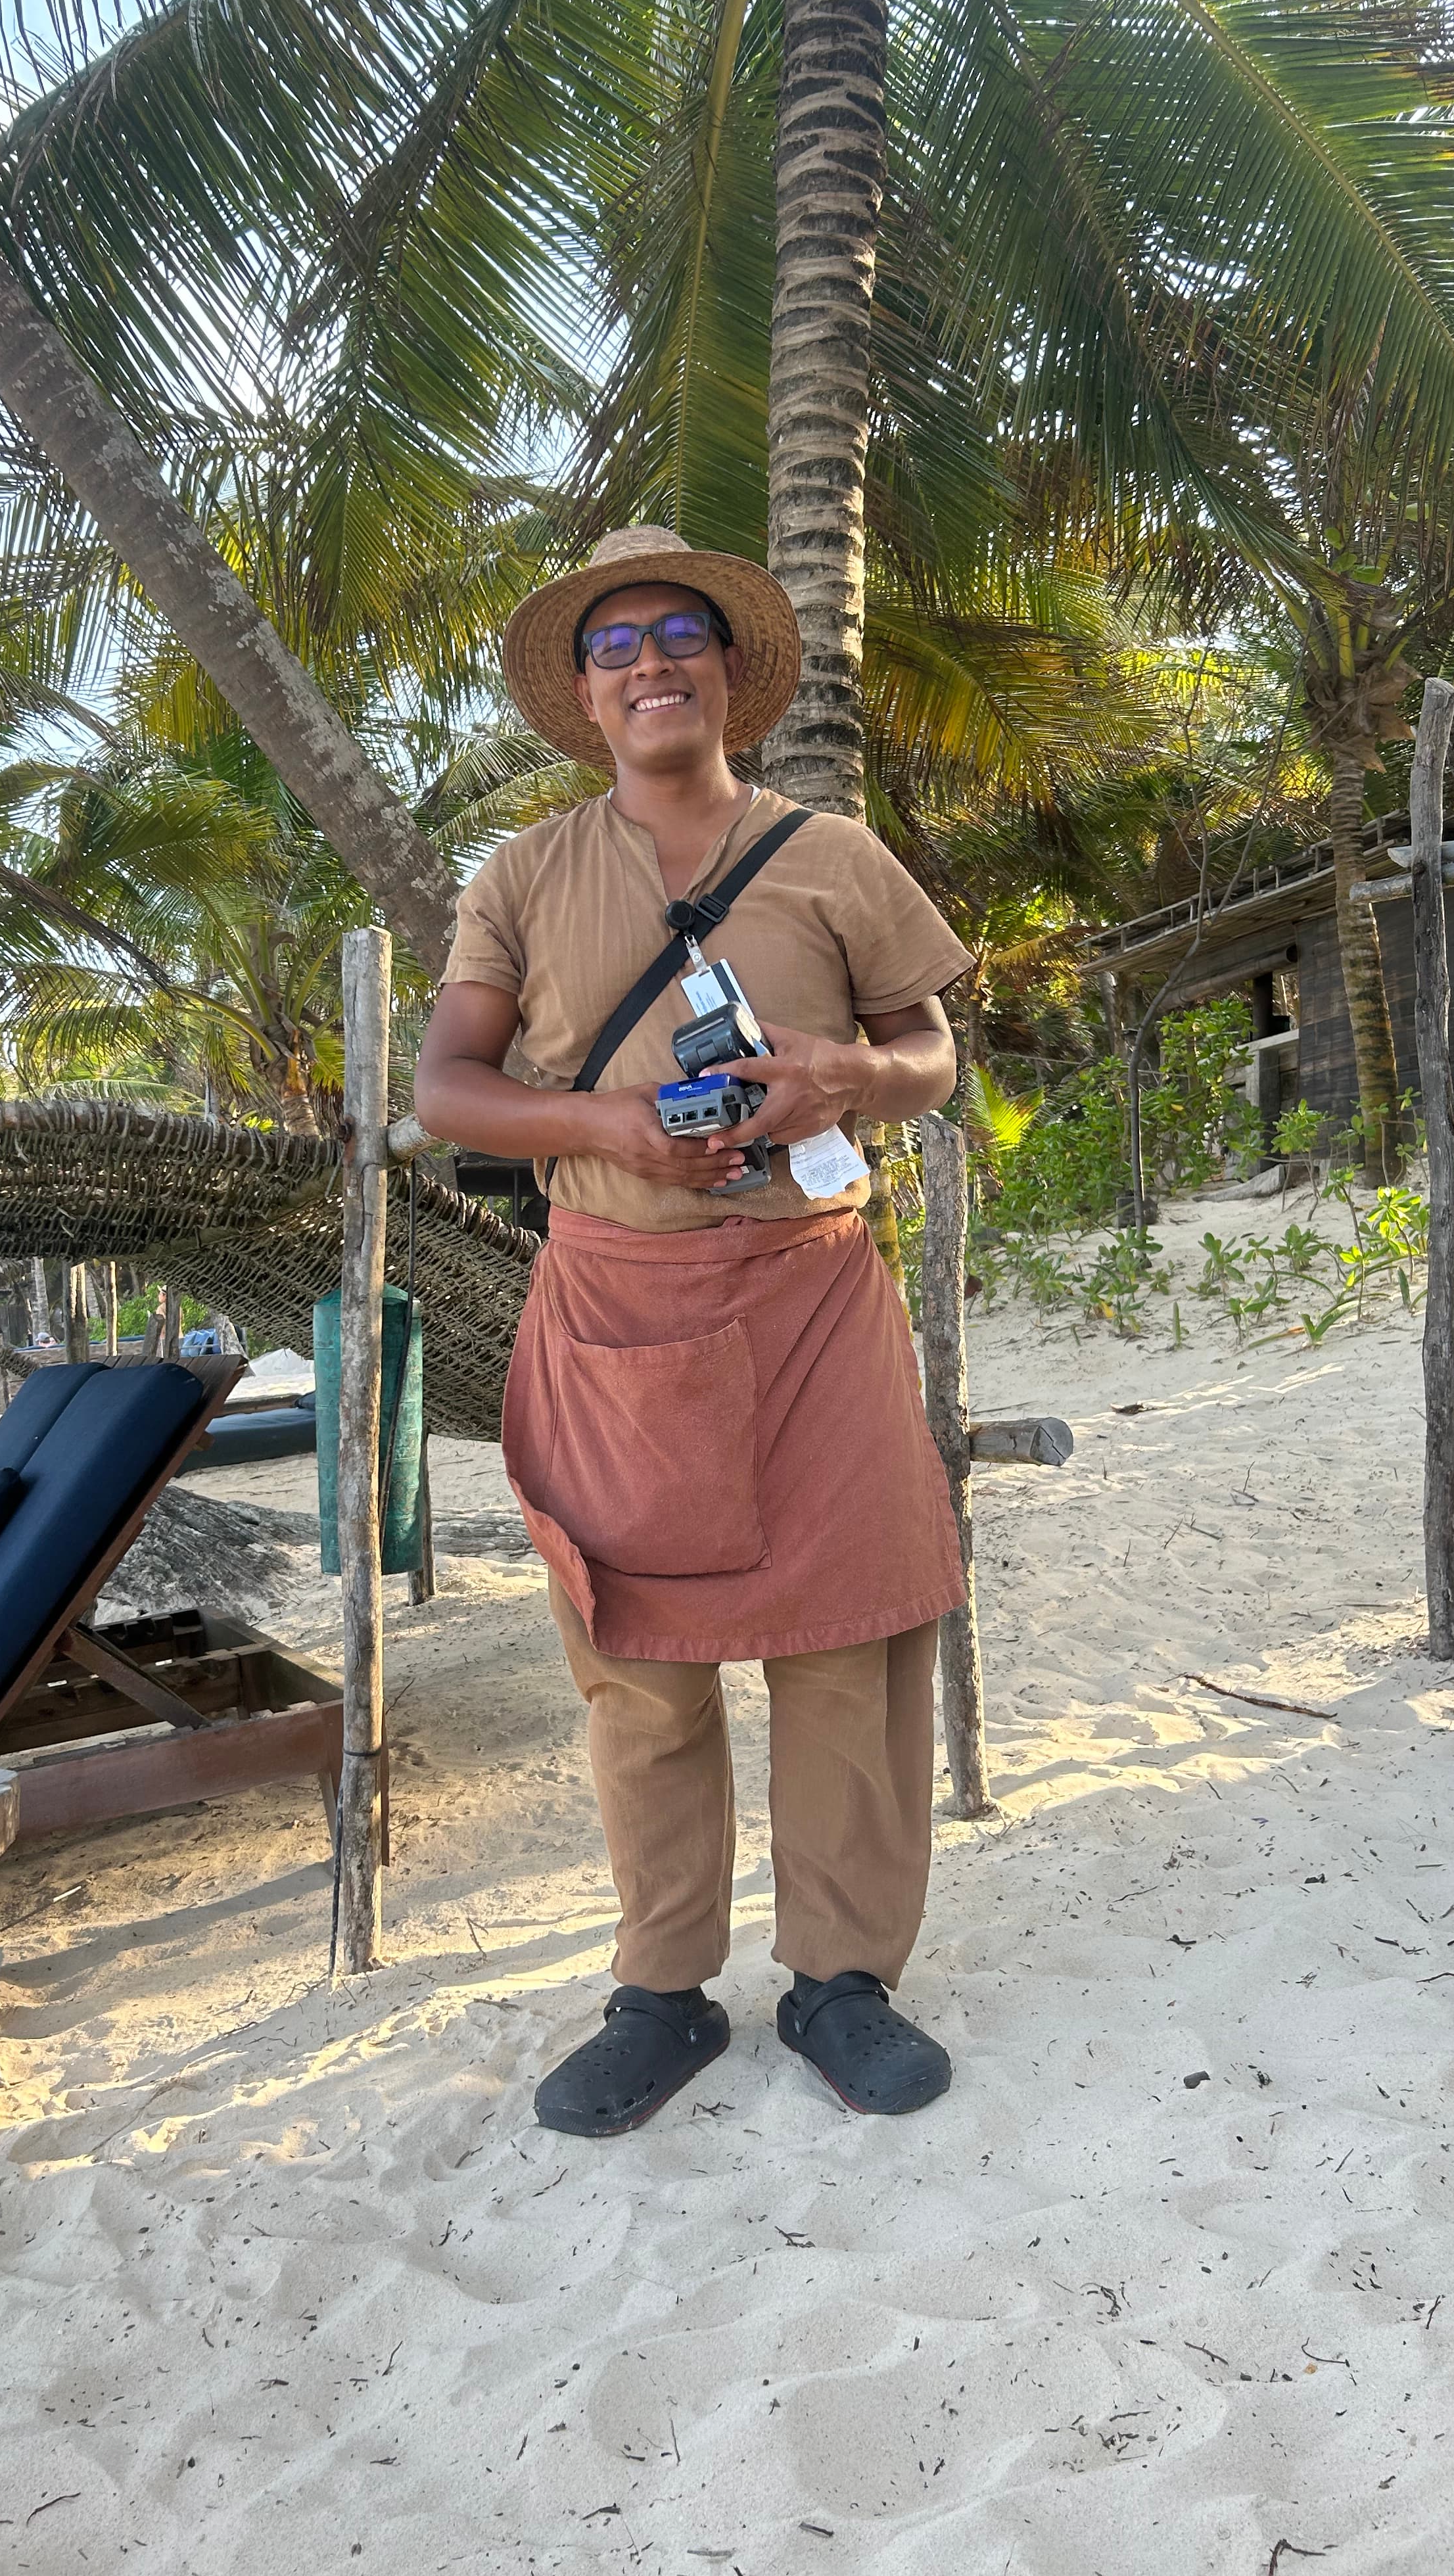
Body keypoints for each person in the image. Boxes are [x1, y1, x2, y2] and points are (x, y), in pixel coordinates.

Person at [413, 525, 973, 2134]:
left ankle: (839, 1984)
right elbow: (449, 1086)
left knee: (845, 1642)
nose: (650, 662)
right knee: (636, 1668)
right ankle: (661, 1995)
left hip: (812, 1299)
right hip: (609, 1304)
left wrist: (845, 1079)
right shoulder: (522, 874)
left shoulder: (835, 853)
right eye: (615, 646)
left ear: (730, 672)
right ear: (586, 698)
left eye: (679, 634)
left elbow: (928, 1051)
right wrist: (606, 1123)